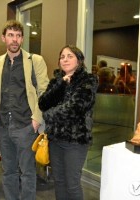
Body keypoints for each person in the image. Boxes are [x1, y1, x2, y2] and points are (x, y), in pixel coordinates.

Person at [0, 19, 49, 200]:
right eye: (10, 35)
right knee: (8, 171)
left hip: (25, 126)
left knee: (27, 172)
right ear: (3, 38)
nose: (14, 39)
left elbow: (44, 92)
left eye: (18, 36)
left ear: (22, 39)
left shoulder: (35, 60)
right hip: (2, 125)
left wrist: (36, 119)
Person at [38, 45, 98, 200]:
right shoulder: (56, 81)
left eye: (70, 56)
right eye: (62, 56)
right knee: (59, 182)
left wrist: (49, 115)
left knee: (72, 184)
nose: (65, 60)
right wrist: (61, 85)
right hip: (55, 139)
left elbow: (75, 107)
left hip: (75, 141)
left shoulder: (88, 80)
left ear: (79, 60)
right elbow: (43, 103)